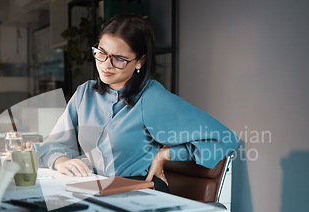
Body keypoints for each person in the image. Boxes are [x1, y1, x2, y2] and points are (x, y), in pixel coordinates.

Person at [35, 14, 238, 192]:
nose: (106, 64)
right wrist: (61, 161)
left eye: (119, 59)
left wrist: (164, 154)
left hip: (138, 194)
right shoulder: (84, 94)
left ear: (140, 61)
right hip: (95, 191)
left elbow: (225, 139)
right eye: (101, 52)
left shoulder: (151, 97)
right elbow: (53, 143)